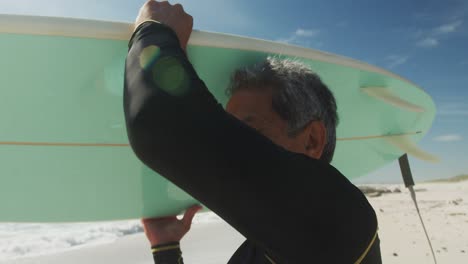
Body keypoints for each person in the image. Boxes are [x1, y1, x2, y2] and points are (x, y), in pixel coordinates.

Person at [124, 1, 382, 263]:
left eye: (245, 129)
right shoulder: (265, 249)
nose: (228, 143)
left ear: (312, 140)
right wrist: (166, 247)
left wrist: (154, 32)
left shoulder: (340, 219)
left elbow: (159, 126)